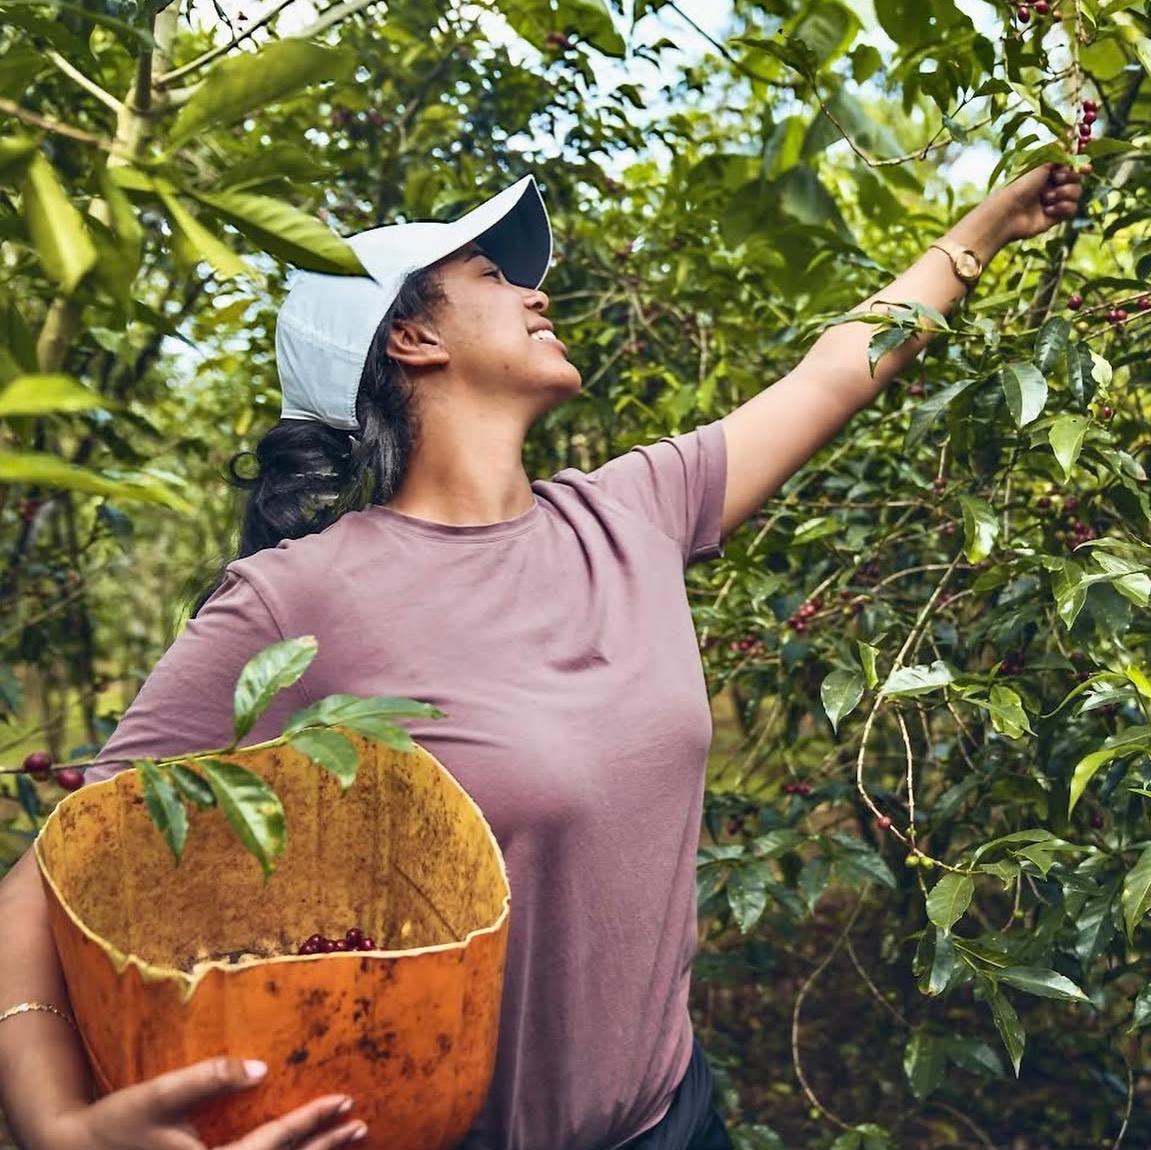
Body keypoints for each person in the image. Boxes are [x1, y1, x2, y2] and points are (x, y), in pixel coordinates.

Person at [0, 162, 1082, 1150]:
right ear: (409, 341)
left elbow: (832, 373)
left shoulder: (629, 511)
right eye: (488, 273)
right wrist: (57, 1128)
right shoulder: (302, 594)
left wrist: (980, 234)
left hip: (676, 1118)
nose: (533, 291)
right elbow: (49, 879)